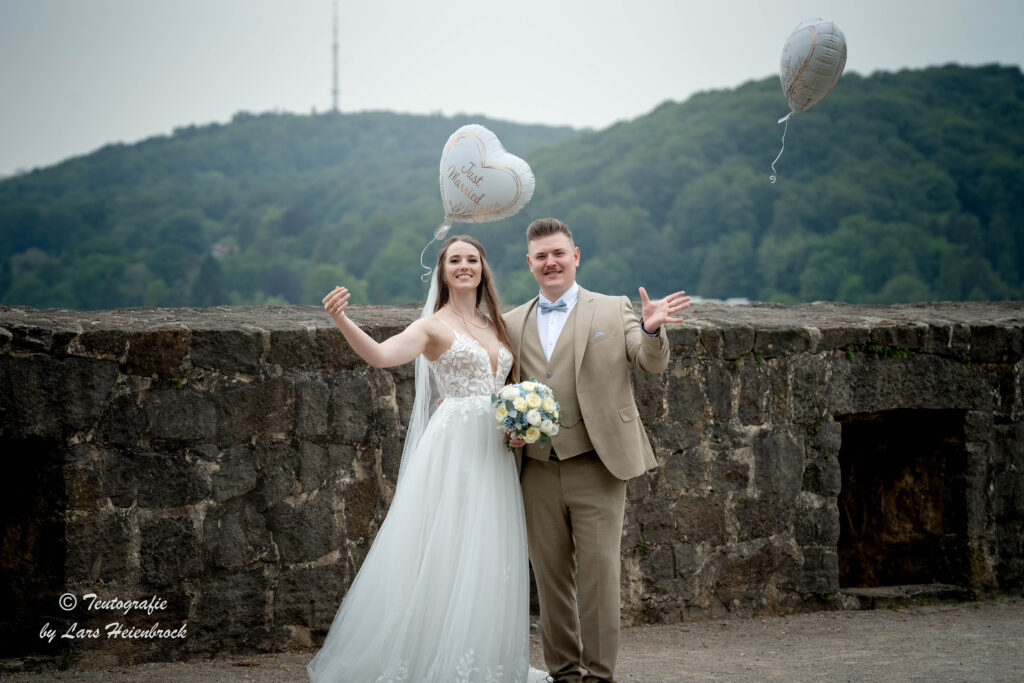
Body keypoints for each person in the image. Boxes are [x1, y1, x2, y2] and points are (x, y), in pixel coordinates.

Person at [308, 235, 549, 682]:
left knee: (488, 547)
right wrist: (342, 319)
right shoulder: (432, 326)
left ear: (483, 268)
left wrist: (519, 425)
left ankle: (485, 656)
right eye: (455, 260)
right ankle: (433, 656)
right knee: (447, 546)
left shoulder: (495, 322)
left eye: (472, 259)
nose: (464, 266)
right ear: (443, 271)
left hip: (493, 451)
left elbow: (506, 386)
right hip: (455, 446)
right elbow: (382, 356)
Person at [504, 218, 690, 683]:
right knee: (550, 580)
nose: (551, 262)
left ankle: (600, 675)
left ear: (576, 256)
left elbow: (648, 362)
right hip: (536, 469)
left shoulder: (613, 308)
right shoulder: (510, 321)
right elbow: (499, 387)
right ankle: (564, 672)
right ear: (530, 263)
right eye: (541, 256)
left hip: (598, 463)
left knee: (600, 575)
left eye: (558, 253)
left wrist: (651, 331)